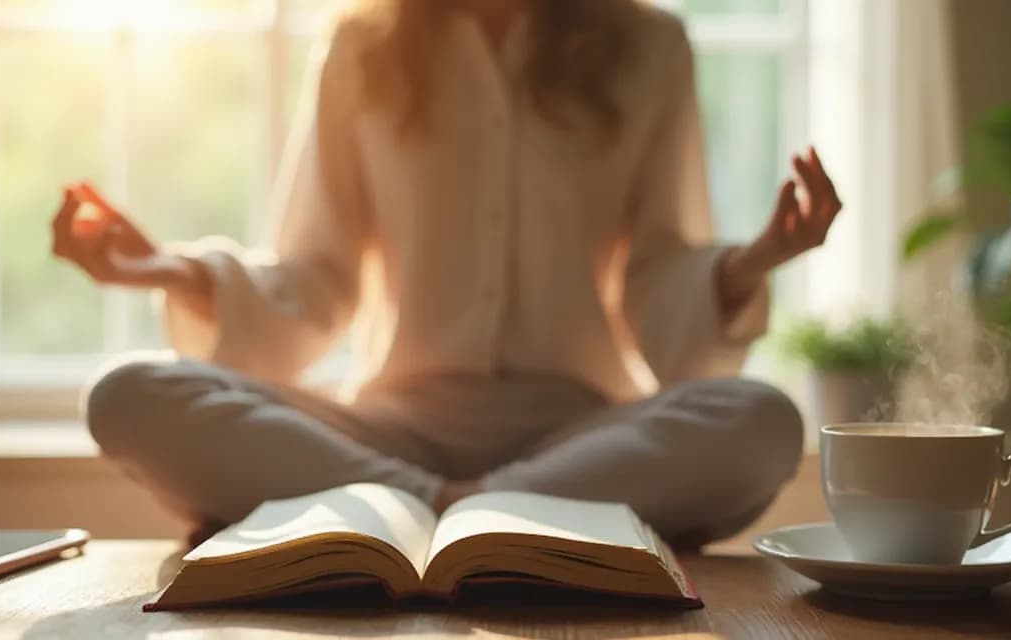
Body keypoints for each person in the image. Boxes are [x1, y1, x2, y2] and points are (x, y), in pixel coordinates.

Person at [53, 0, 842, 547]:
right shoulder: (363, 47)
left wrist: (752, 262)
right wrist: (174, 273)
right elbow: (316, 279)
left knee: (763, 421)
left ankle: (404, 514)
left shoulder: (650, 49)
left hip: (580, 433)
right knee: (127, 393)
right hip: (390, 426)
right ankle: (464, 510)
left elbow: (661, 271)